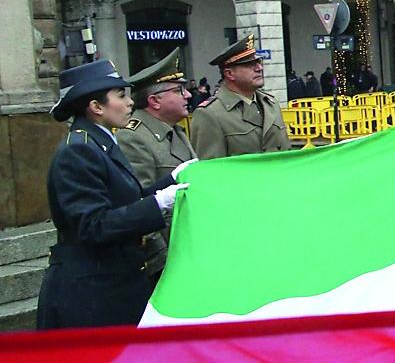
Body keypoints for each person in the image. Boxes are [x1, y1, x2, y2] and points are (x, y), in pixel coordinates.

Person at [37, 60, 191, 329]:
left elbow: (125, 201)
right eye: (120, 96)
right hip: (92, 291)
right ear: (96, 107)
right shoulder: (79, 149)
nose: (130, 103)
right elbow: (93, 225)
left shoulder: (100, 142)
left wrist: (171, 179)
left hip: (112, 282)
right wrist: (158, 203)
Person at [116, 49, 198, 282]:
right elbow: (138, 204)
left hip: (187, 244)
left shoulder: (175, 129)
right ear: (154, 100)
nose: (188, 96)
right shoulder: (134, 137)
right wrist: (161, 259)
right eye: (179, 91)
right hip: (167, 258)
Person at [191, 34, 291, 159]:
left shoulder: (271, 103)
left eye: (258, 62)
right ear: (229, 74)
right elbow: (210, 170)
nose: (259, 68)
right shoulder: (210, 114)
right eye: (250, 64)